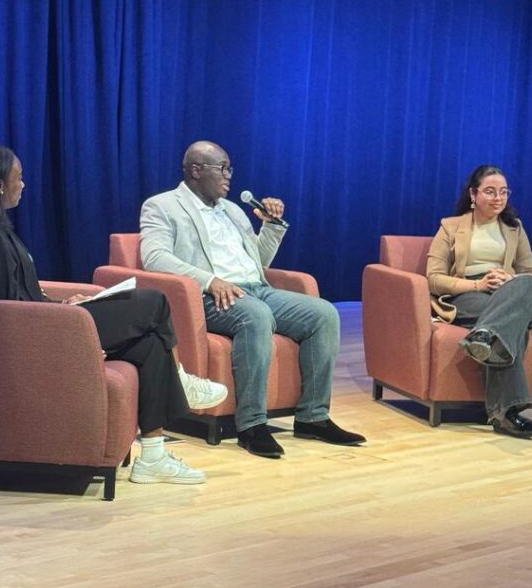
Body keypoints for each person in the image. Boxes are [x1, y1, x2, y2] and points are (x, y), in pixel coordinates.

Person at [0, 141, 228, 484]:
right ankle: (180, 379)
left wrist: (60, 305)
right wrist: (62, 316)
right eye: (19, 177)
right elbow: (7, 311)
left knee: (150, 345)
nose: (23, 184)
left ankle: (153, 457)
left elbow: (18, 296)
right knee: (153, 301)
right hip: (37, 339)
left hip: (47, 325)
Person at [139, 140, 366, 459]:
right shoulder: (162, 206)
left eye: (230, 168)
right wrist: (209, 280)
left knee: (324, 314)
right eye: (222, 168)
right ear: (195, 170)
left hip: (255, 288)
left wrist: (271, 227)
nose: (229, 176)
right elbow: (154, 258)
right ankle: (252, 425)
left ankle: (313, 417)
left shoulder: (233, 210)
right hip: (208, 295)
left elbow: (257, 262)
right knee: (255, 315)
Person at [426, 164, 532, 439]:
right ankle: (507, 414)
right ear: (473, 193)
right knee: (506, 327)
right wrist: (478, 284)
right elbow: (433, 278)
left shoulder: (514, 228)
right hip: (469, 294)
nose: (498, 198)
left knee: (527, 284)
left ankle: (484, 335)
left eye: (503, 192)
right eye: (490, 191)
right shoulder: (451, 226)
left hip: (510, 292)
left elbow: (531, 273)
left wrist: (509, 278)